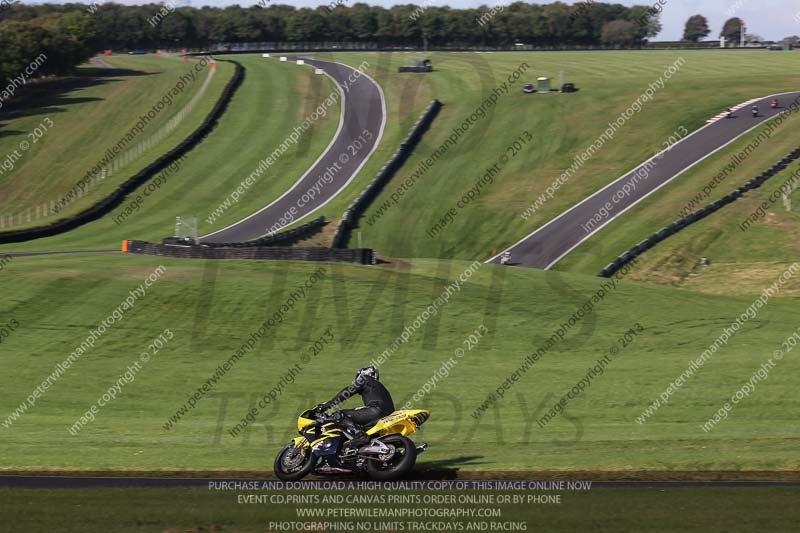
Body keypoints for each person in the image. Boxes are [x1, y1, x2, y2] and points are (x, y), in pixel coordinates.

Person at [317, 366, 394, 448]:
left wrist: (328, 405)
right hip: (387, 417)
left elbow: (347, 392)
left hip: (375, 411)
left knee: (339, 414)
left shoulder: (365, 379)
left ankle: (360, 435)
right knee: (360, 426)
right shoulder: (381, 388)